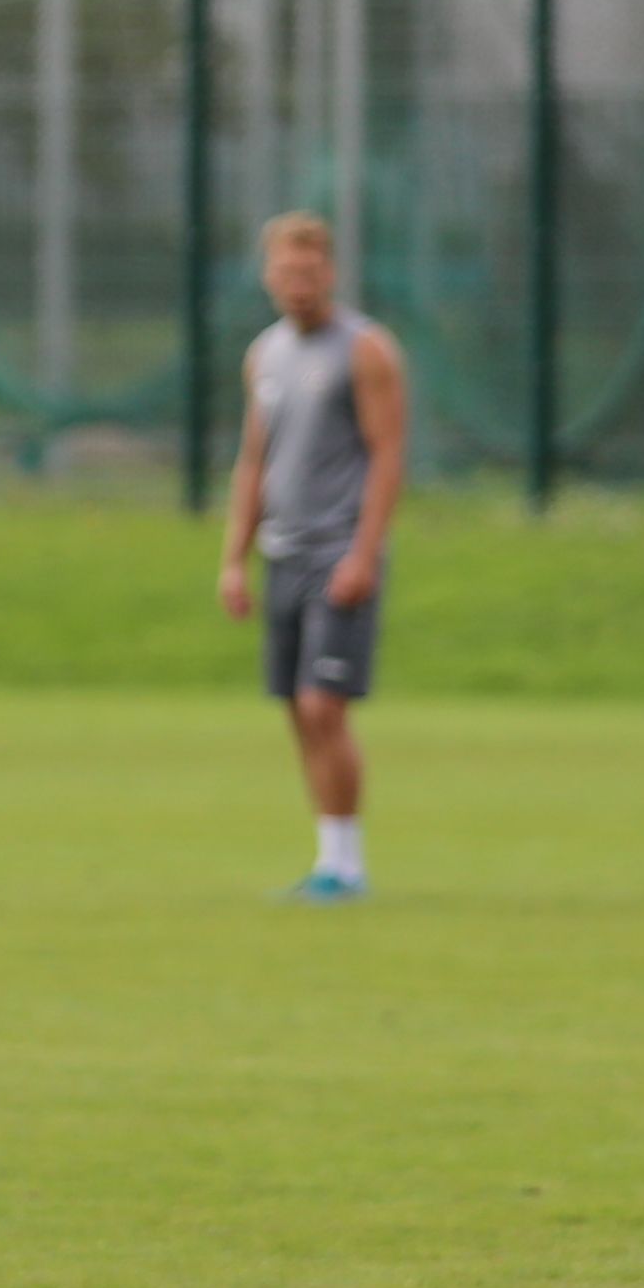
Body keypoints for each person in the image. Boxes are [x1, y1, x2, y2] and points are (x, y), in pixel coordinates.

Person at [217, 212, 409, 902]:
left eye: (309, 271)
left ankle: (348, 866)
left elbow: (388, 455)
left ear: (329, 272)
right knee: (297, 711)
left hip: (338, 553)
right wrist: (234, 558)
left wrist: (364, 552)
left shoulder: (364, 351)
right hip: (284, 555)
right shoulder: (263, 355)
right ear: (267, 275)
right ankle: (327, 856)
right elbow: (253, 461)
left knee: (322, 704)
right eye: (284, 271)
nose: (296, 283)